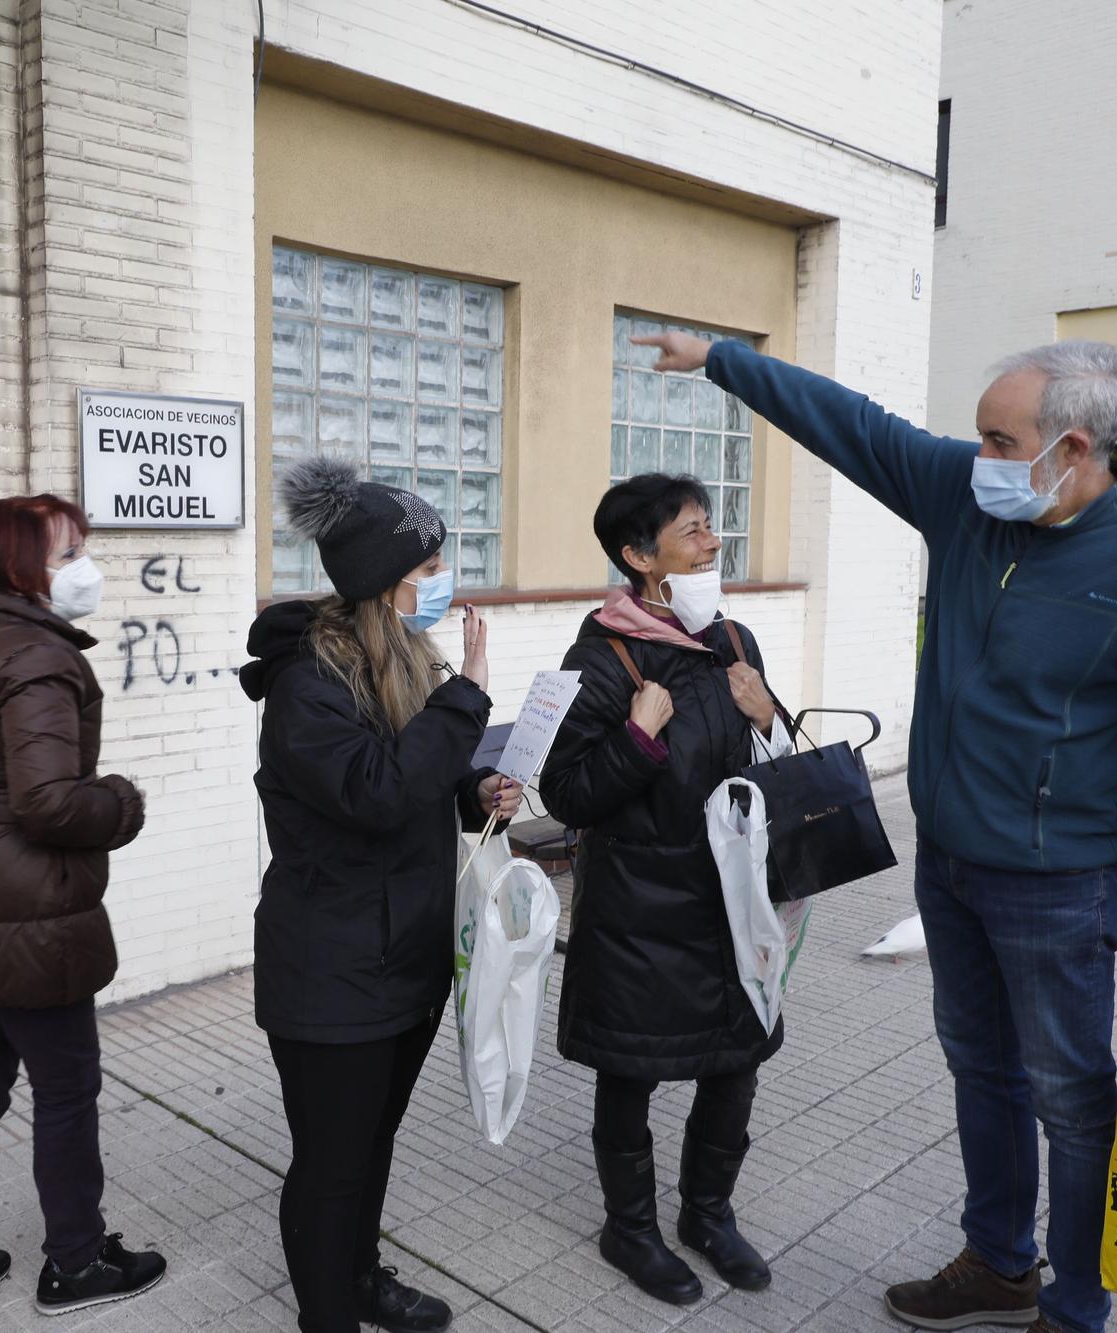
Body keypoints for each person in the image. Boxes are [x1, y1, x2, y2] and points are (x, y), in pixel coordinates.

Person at [632, 329, 1117, 1333]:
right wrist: (719, 359)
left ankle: (1076, 1303)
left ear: (1074, 452)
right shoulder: (967, 496)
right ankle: (999, 1261)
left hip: (1059, 887)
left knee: (1071, 1098)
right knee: (982, 1071)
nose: (977, 460)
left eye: (999, 441)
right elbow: (850, 426)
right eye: (977, 438)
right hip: (951, 866)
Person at [241, 458, 522, 1333]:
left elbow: (419, 778)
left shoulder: (401, 658)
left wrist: (473, 791)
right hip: (331, 974)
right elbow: (374, 792)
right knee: (330, 1165)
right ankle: (328, 1313)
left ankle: (359, 1280)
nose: (443, 583)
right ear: (379, 584)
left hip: (403, 958)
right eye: (427, 570)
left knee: (372, 1145)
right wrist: (470, 692)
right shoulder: (305, 689)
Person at [0, 494, 167, 1316]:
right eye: (67, 552)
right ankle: (76, 1263)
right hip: (26, 912)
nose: (85, 566)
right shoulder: (35, 655)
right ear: (20, 563)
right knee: (65, 1086)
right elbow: (49, 802)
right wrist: (122, 802)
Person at [541, 472, 796, 1307]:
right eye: (692, 530)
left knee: (737, 1061)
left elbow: (777, 771)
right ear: (640, 557)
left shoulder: (733, 639)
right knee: (633, 1069)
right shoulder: (603, 655)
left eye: (709, 526)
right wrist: (639, 736)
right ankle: (632, 1226)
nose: (712, 541)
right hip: (641, 912)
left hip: (731, 903)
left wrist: (767, 715)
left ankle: (709, 1215)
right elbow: (569, 794)